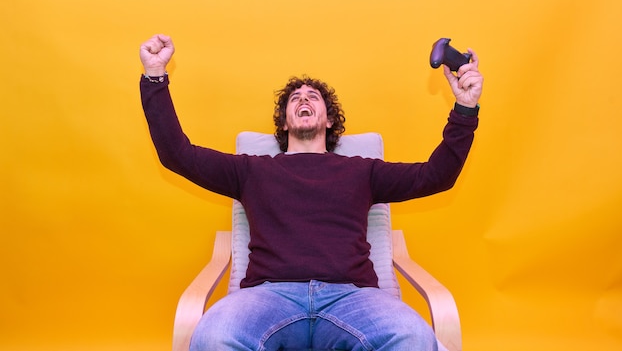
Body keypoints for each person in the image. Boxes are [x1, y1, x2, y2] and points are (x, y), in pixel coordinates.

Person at [139, 34, 483, 351]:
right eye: (295, 99)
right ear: (285, 122)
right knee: (212, 337)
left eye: (312, 97)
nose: (303, 99)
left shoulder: (363, 170)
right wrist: (155, 76)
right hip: (268, 296)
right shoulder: (251, 169)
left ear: (329, 120)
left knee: (414, 337)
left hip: (353, 298)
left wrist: (465, 110)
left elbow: (437, 176)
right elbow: (177, 155)